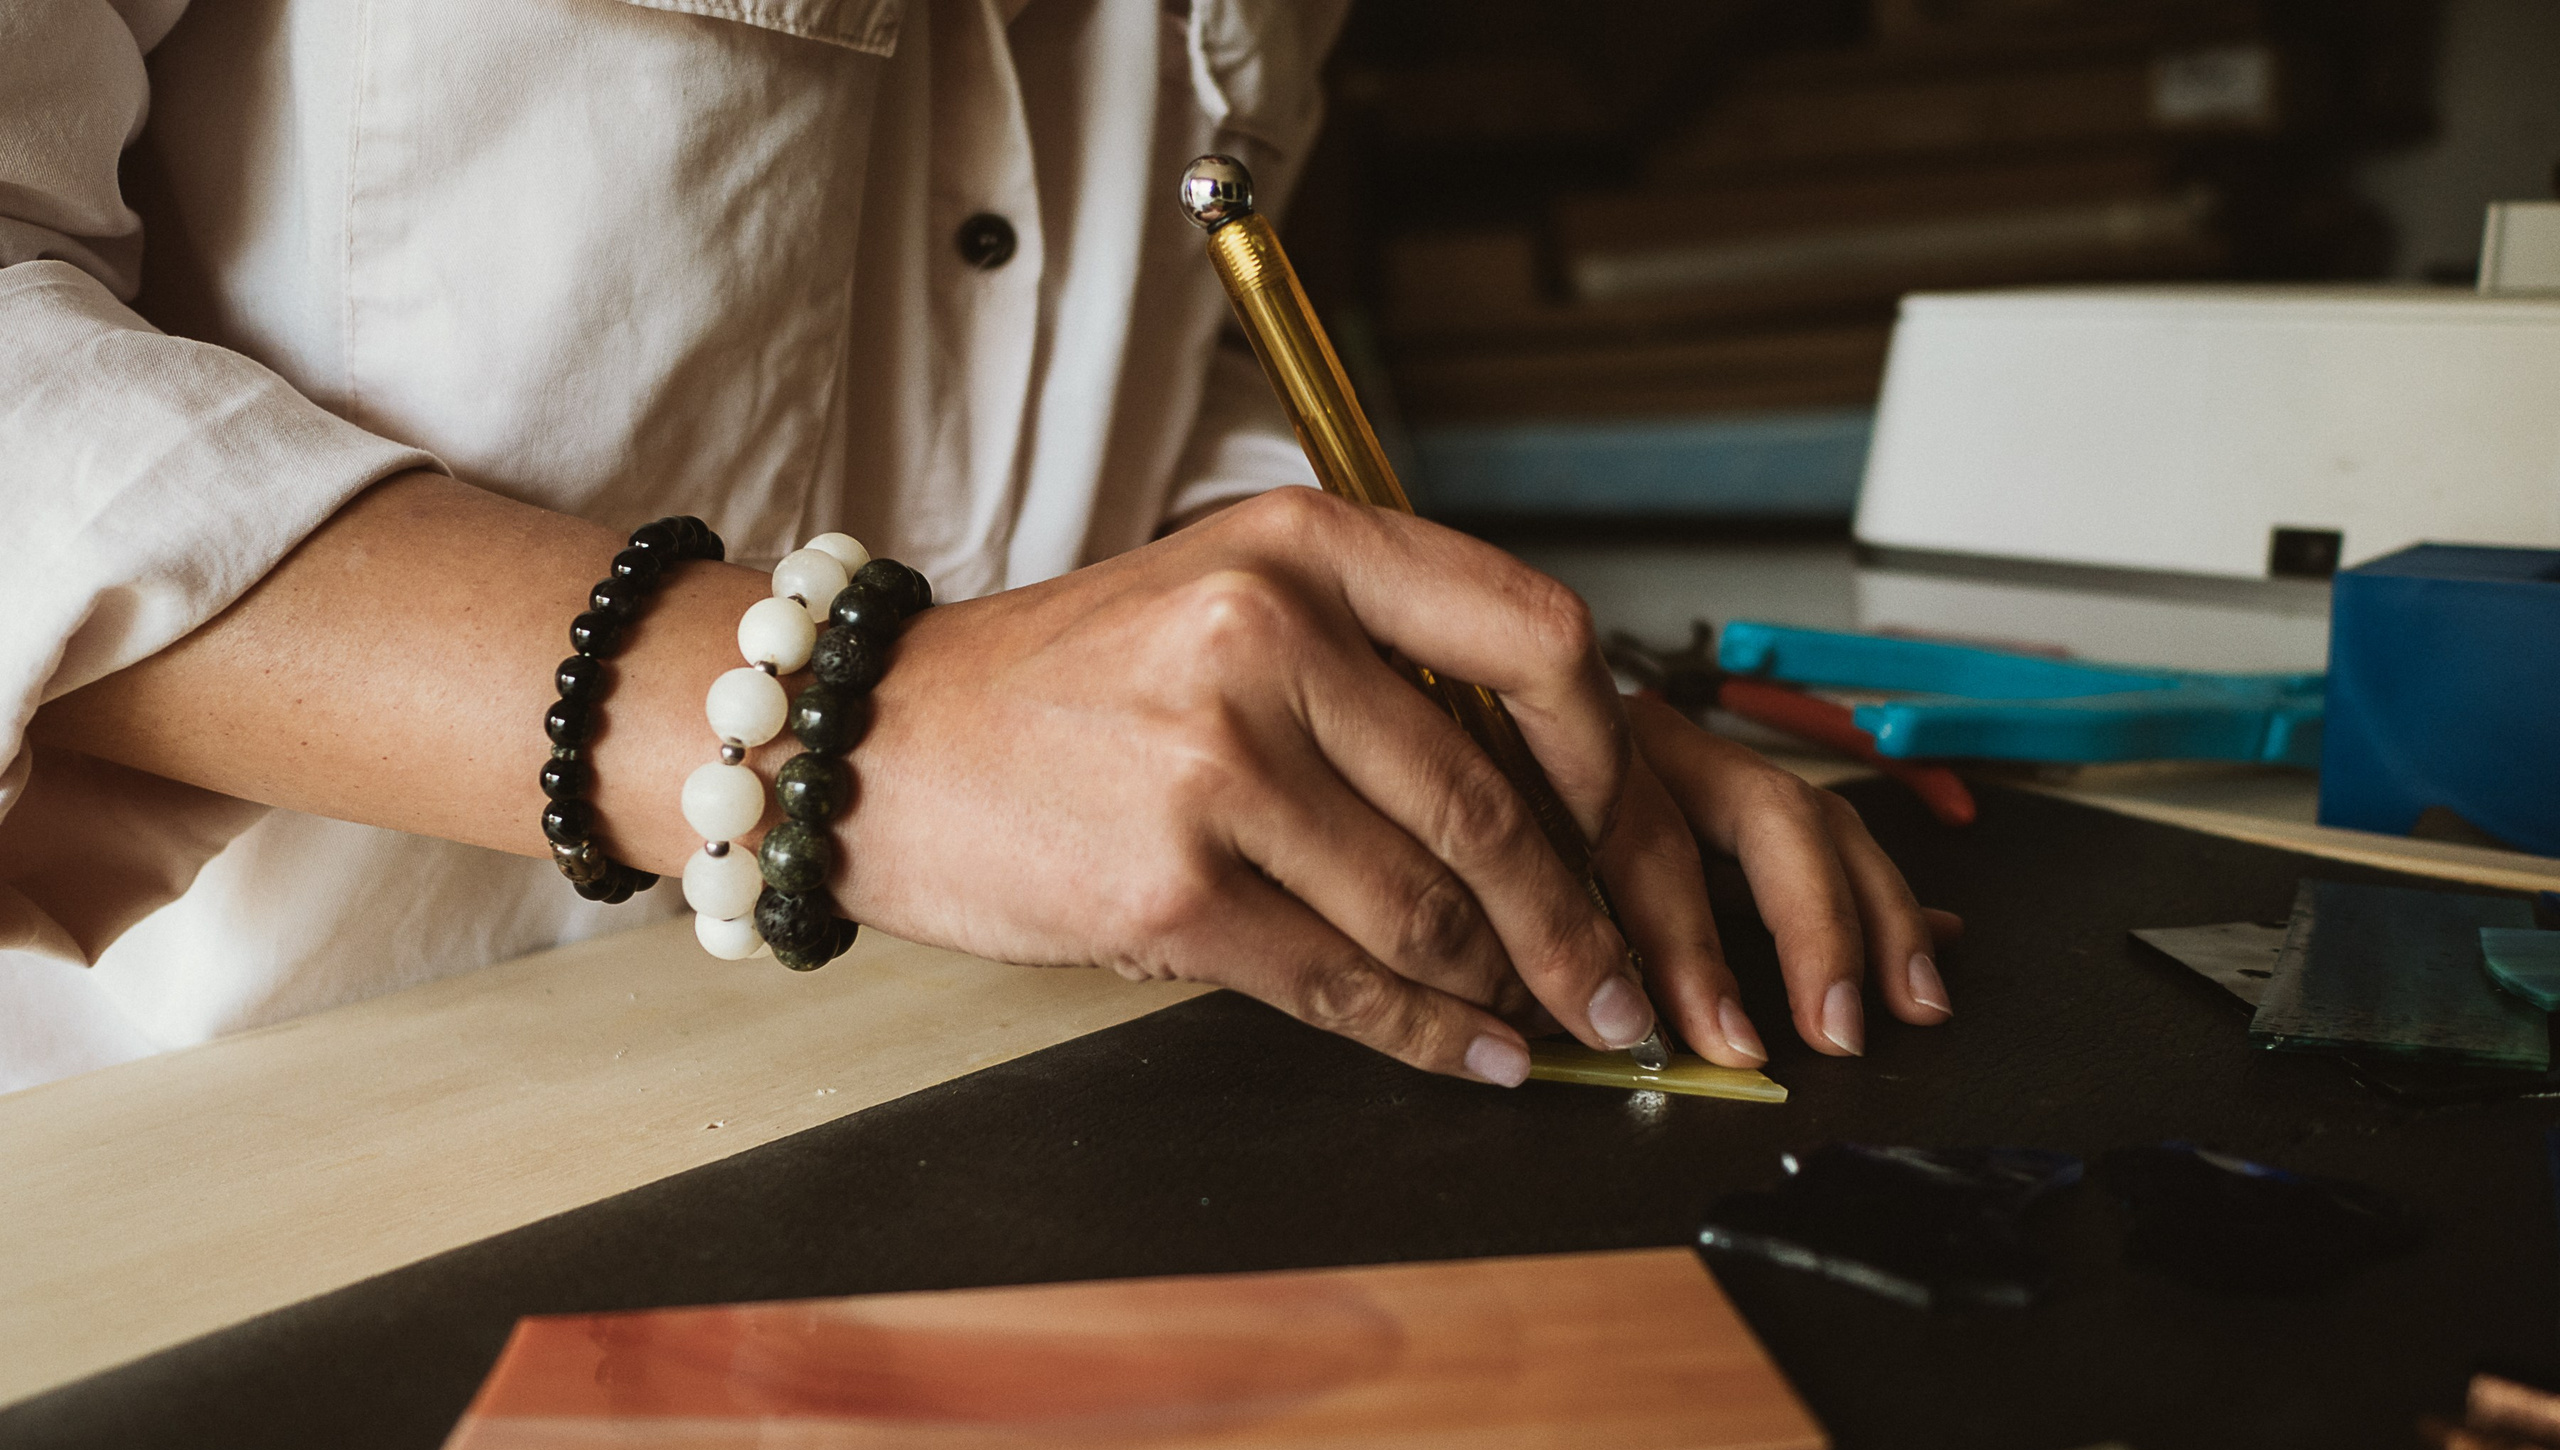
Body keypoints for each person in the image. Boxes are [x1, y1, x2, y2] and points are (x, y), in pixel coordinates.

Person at [0, 0, 1955, 1097]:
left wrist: (1409, 711)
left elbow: (1132, 323)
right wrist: (845, 722)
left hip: (993, 1103)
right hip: (254, 1181)